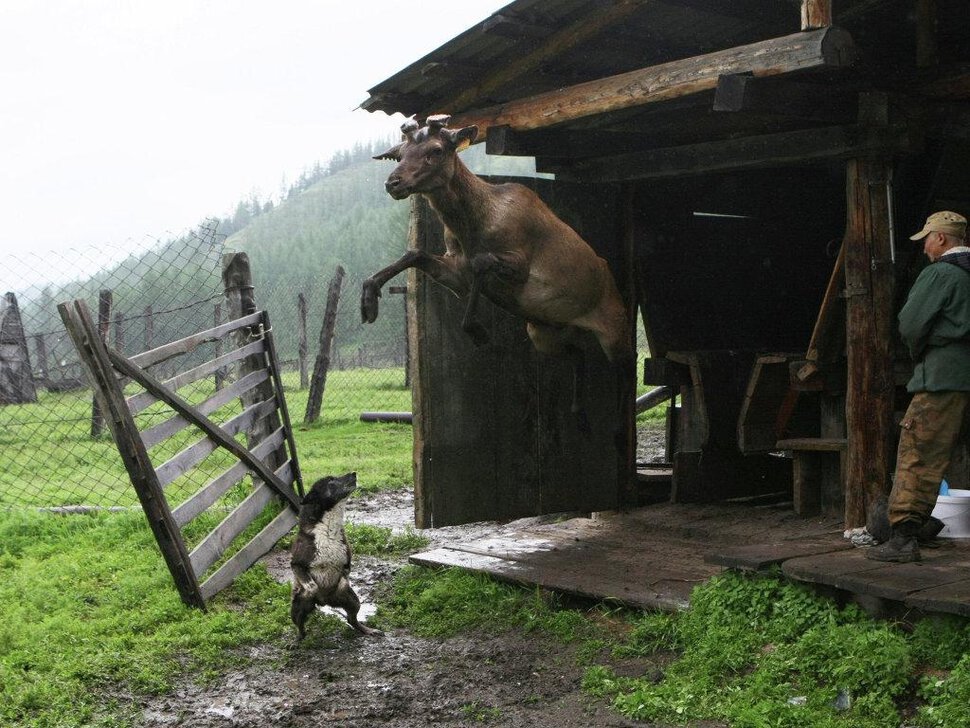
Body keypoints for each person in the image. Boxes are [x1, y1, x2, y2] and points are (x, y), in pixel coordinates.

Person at [867, 211, 970, 562]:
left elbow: (910, 325)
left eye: (927, 239)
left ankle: (903, 538)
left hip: (942, 377)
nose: (924, 247)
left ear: (941, 238)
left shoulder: (941, 272)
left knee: (918, 452)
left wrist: (922, 350)